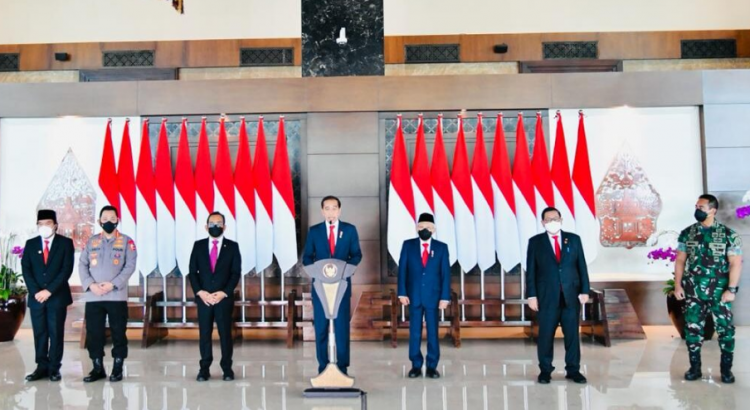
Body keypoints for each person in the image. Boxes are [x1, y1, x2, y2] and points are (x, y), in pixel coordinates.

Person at [674, 194, 742, 383]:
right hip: (694, 292)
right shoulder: (687, 233)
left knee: (726, 331)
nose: (697, 210)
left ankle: (726, 371)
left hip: (720, 293)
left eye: (701, 207)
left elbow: (736, 263)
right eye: (696, 206)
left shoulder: (729, 235)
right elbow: (680, 260)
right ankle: (694, 368)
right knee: (693, 331)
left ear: (713, 210)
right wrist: (678, 285)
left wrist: (732, 289)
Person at [526, 206, 590, 384]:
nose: (552, 222)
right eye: (548, 220)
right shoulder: (535, 242)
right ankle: (545, 370)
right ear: (542, 223)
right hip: (547, 297)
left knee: (572, 336)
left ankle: (573, 370)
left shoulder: (574, 240)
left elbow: (581, 267)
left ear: (561, 220)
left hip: (571, 295)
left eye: (555, 218)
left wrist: (585, 290)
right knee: (545, 336)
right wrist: (531, 295)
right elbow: (531, 271)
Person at [302, 195, 362, 375]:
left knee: (341, 327)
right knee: (321, 327)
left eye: (334, 208)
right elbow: (307, 258)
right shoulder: (315, 231)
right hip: (321, 288)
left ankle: (342, 367)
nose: (331, 212)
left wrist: (343, 271)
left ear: (339, 210)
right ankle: (323, 367)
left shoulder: (349, 230)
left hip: (341, 287)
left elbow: (356, 255)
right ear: (322, 211)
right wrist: (317, 272)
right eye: (327, 208)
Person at [78, 205, 137, 383]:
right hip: (94, 296)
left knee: (119, 332)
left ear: (118, 220)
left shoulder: (127, 242)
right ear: (99, 221)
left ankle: (118, 367)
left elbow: (130, 266)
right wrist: (90, 285)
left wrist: (113, 284)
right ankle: (97, 368)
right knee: (94, 333)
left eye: (112, 218)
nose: (109, 222)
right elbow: (82, 265)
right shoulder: (91, 241)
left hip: (116, 296)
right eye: (105, 219)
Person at [21, 209, 75, 382]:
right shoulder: (30, 244)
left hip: (57, 297)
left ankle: (54, 368)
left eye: (48, 223)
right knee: (40, 333)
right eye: (41, 224)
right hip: (37, 298)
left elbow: (66, 270)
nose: (44, 227)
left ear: (55, 225)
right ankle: (41, 367)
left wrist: (49, 290)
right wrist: (36, 291)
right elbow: (26, 270)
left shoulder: (65, 243)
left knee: (56, 333)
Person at [188, 211, 241, 382]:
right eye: (212, 223)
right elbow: (193, 272)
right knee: (205, 334)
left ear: (224, 227)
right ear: (206, 226)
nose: (215, 226)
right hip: (204, 298)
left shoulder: (232, 247)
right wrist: (200, 292)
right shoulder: (198, 245)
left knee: (225, 334)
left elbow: (235, 273)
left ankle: (227, 368)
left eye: (219, 223)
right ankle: (204, 368)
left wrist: (223, 292)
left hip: (223, 298)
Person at [397, 213, 451, 379]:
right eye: (421, 227)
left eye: (428, 227)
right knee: (414, 332)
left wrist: (445, 297)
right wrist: (402, 292)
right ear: (416, 228)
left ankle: (432, 366)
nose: (424, 230)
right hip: (413, 296)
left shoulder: (441, 248)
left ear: (433, 229)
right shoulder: (408, 245)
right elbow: (402, 271)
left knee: (433, 332)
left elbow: (445, 274)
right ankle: (415, 365)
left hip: (433, 297)